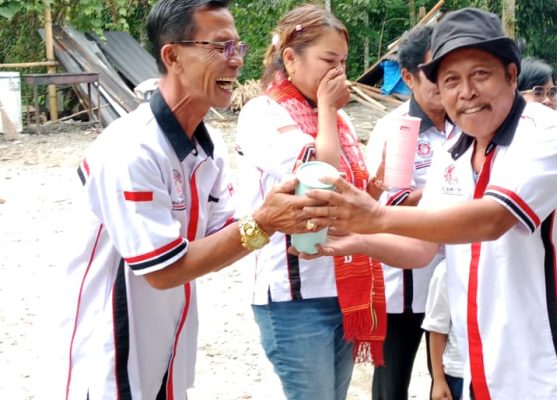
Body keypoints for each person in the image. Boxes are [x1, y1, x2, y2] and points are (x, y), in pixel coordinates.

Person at [299, 8, 557, 399]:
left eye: (480, 74)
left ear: (511, 75)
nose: (466, 92)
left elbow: (492, 219)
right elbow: (422, 248)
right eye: (451, 80)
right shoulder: (454, 152)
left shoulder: (548, 135)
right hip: (492, 367)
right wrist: (357, 241)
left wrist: (374, 215)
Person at [54, 1, 315, 399]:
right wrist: (265, 222)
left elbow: (224, 236)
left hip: (163, 352)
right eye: (220, 47)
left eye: (238, 47)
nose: (235, 61)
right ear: (172, 56)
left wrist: (285, 218)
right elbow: (163, 270)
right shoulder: (131, 149)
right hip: (108, 362)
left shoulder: (207, 149)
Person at [234, 4, 386, 400]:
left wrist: (378, 185)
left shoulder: (337, 119)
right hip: (293, 297)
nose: (339, 73)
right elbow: (319, 175)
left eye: (343, 62)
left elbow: (349, 198)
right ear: (290, 58)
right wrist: (328, 109)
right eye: (328, 61)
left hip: (341, 285)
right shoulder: (262, 112)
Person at [364, 24, 459, 400]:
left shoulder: (466, 124)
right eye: (432, 72)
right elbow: (383, 205)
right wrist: (447, 193)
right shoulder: (394, 130)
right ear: (407, 77)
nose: (443, 81)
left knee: (450, 380)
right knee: (391, 386)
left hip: (456, 278)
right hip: (405, 285)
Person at [422, 260, 464, 400]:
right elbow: (437, 329)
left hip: (502, 375)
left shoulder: (507, 266)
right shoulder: (446, 270)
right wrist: (438, 379)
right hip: (459, 374)